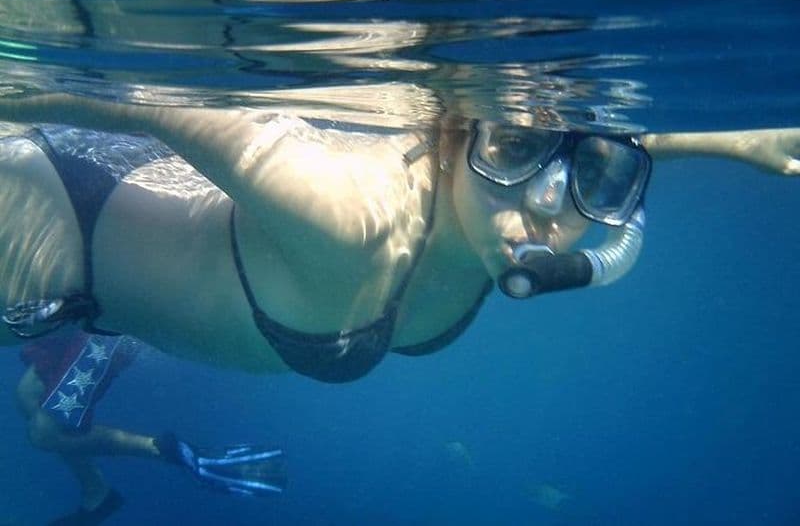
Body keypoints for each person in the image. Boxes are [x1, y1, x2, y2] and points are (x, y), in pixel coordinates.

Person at [0, 93, 798, 385]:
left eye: (601, 177)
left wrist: (728, 139)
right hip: (41, 219)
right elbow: (131, 100)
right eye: (513, 148)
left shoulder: (503, 215)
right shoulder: (347, 214)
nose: (553, 203)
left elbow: (587, 133)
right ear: (460, 135)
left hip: (125, 213)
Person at [17, 327, 287, 525]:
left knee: (46, 433)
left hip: (110, 326)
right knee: (28, 394)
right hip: (86, 305)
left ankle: (170, 451)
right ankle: (97, 493)